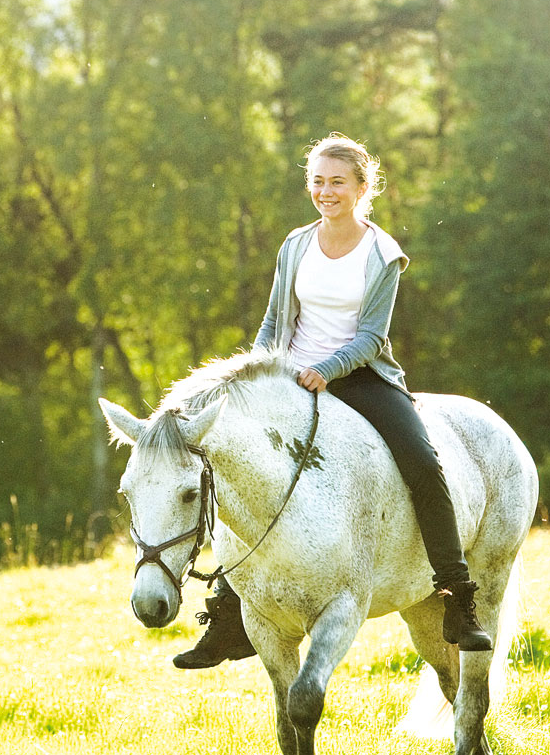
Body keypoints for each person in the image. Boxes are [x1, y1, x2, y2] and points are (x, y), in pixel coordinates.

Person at [173, 134, 493, 669]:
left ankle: (458, 599)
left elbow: (370, 337)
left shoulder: (383, 253)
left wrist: (327, 369)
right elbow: (275, 322)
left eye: (337, 182)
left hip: (362, 379)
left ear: (363, 188)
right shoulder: (295, 244)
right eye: (317, 181)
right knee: (234, 468)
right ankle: (229, 616)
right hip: (288, 377)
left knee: (422, 461)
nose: (325, 191)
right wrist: (252, 377)